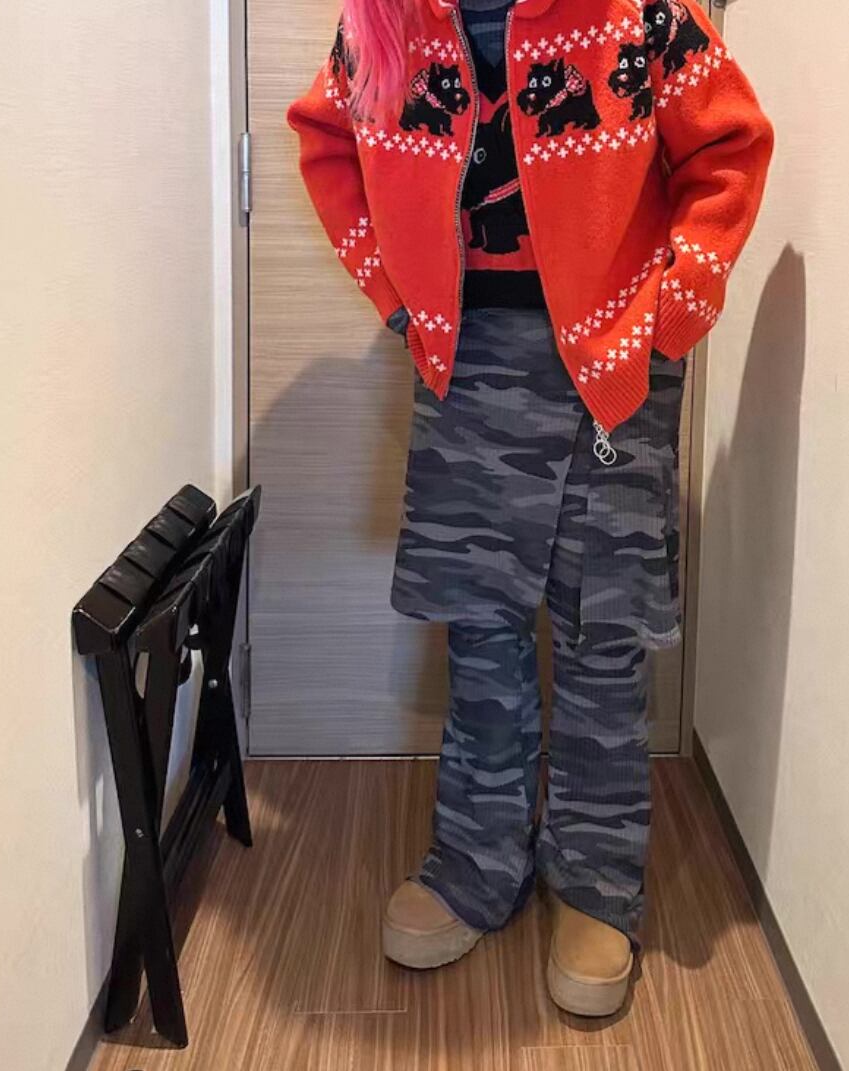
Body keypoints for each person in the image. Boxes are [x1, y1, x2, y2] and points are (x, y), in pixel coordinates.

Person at [287, 0, 771, 1016]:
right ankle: (476, 862)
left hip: (616, 368)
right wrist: (395, 293)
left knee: (605, 636)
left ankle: (596, 884)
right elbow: (325, 140)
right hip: (469, 367)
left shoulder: (639, 13)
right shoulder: (381, 23)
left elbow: (728, 146)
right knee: (481, 629)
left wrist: (675, 308)